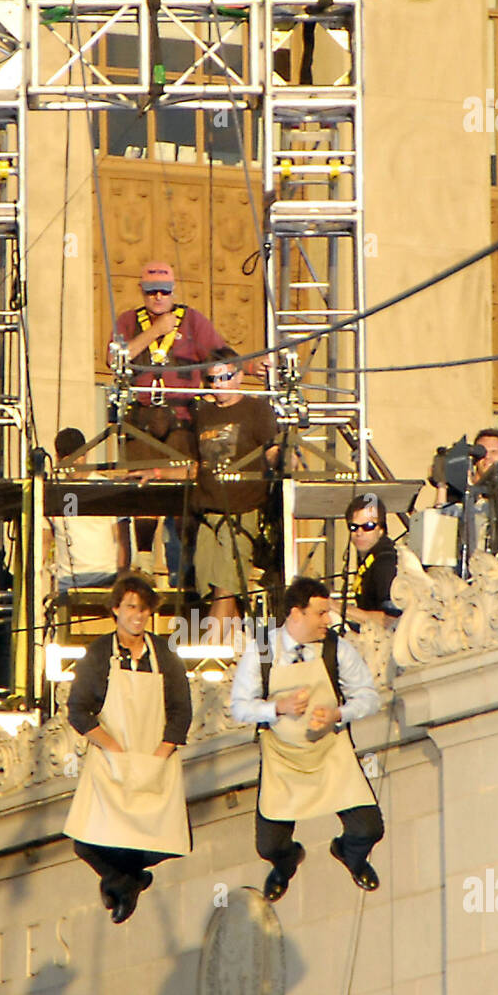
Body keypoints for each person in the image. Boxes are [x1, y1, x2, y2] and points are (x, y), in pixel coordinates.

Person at [230, 577, 384, 902]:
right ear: (296, 615)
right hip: (282, 757)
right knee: (268, 844)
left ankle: (351, 855)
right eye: (320, 613)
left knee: (369, 828)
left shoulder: (336, 647)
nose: (327, 620)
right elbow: (240, 707)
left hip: (330, 751)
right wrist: (277, 708)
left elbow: (369, 697)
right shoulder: (262, 650)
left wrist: (338, 714)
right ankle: (286, 864)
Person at [64, 573, 192, 924]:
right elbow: (78, 709)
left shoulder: (164, 655)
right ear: (116, 609)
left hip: (155, 759)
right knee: (86, 841)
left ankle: (127, 881)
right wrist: (112, 747)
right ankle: (123, 882)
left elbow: (181, 710)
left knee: (158, 841)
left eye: (144, 608)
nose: (138, 614)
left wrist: (162, 753)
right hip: (111, 761)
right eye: (131, 607)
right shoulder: (99, 654)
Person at [110, 261, 224, 577]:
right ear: (142, 292)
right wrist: (154, 332)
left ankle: (185, 565)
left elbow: (222, 355)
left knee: (183, 488)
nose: (158, 297)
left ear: (174, 291)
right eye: (151, 292)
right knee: (142, 490)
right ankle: (143, 562)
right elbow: (115, 359)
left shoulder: (193, 321)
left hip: (181, 417)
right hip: (142, 418)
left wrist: (255, 367)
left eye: (164, 291)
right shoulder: (129, 321)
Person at [193, 347, 279, 634]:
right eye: (212, 379)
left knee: (225, 587)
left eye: (226, 377)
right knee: (211, 585)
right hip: (209, 513)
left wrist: (282, 460)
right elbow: (195, 463)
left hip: (243, 511)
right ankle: (233, 647)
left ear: (240, 376)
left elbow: (272, 450)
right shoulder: (203, 414)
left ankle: (209, 651)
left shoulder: (256, 409)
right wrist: (155, 472)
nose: (218, 385)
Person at [45, 427, 129, 593]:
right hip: (68, 586)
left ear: (86, 455)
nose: (74, 464)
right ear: (58, 458)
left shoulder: (106, 489)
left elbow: (122, 539)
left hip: (106, 582)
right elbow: (45, 541)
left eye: (78, 457)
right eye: (67, 458)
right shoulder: (53, 494)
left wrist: (121, 580)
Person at [344, 494, 401, 627]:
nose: (359, 532)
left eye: (368, 526)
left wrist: (337, 607)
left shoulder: (386, 562)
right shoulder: (370, 558)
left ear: (381, 529)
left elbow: (390, 620)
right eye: (353, 527)